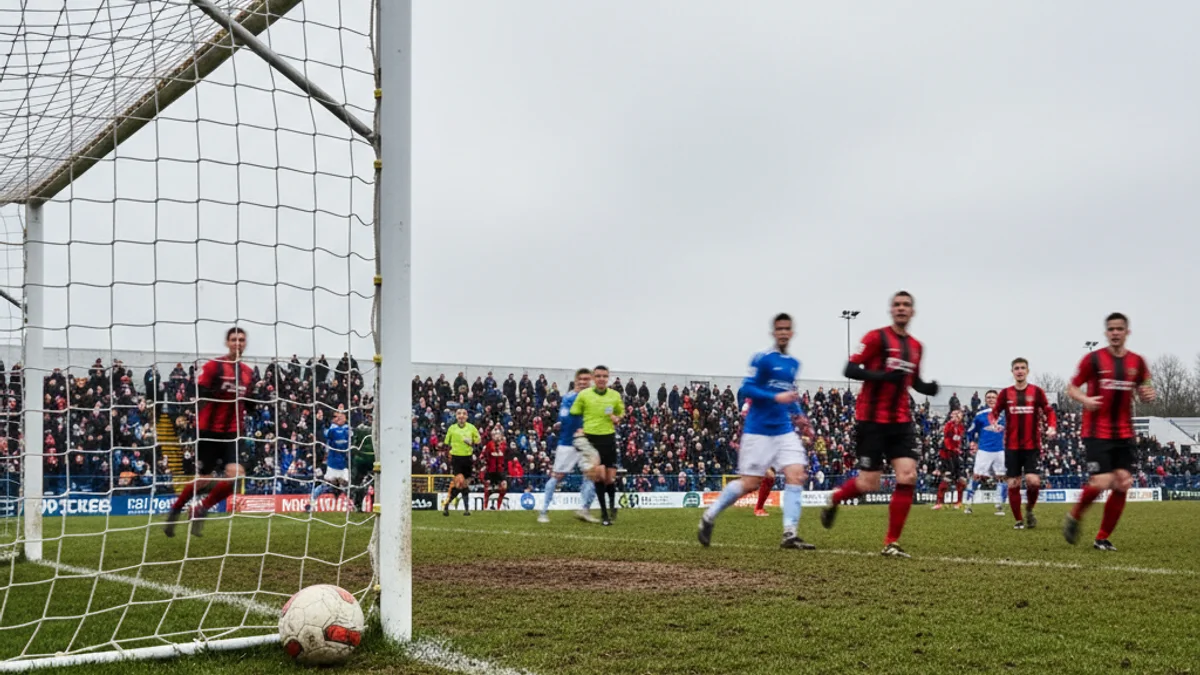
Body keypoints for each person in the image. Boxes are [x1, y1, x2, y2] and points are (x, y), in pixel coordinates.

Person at [821, 292, 939, 558]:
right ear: (891, 310)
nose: (901, 308)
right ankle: (835, 498)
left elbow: (911, 381)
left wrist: (928, 388)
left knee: (908, 476)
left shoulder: (917, 347)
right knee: (868, 484)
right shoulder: (876, 337)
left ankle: (891, 542)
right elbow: (850, 370)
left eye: (906, 305)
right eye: (897, 304)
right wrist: (882, 376)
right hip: (871, 420)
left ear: (912, 312)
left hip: (901, 420)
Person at [698, 313, 816, 551]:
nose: (783, 332)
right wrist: (775, 396)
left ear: (792, 333)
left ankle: (789, 533)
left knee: (797, 474)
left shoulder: (793, 364)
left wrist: (800, 415)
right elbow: (747, 388)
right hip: (758, 431)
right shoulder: (763, 359)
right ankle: (709, 517)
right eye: (779, 329)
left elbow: (789, 393)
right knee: (750, 483)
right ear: (774, 333)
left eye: (787, 329)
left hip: (783, 430)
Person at [1063, 313, 1155, 551]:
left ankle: (1102, 538)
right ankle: (1074, 516)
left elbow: (1146, 387)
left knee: (1123, 482)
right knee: (1102, 481)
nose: (1115, 333)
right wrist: (1085, 399)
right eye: (1111, 329)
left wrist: (1148, 394)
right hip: (1096, 431)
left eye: (1119, 329)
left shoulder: (1137, 362)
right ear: (1106, 333)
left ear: (1127, 332)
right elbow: (1071, 388)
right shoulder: (1093, 360)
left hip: (1124, 433)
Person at [164, 326, 254, 537]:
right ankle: (176, 509)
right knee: (203, 479)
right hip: (208, 431)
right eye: (234, 339)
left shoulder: (248, 373)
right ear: (227, 342)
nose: (238, 343)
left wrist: (253, 403)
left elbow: (248, 402)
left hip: (233, 432)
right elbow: (196, 391)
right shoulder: (214, 366)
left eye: (241, 339)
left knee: (235, 475)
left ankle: (201, 508)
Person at [990, 358, 1057, 529]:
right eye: (1016, 368)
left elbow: (1049, 411)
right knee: (1013, 483)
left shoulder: (1037, 392)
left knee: (1033, 481)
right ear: (1012, 372)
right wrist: (994, 422)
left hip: (1031, 445)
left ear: (1028, 371)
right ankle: (1018, 520)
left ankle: (1029, 510)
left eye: (1022, 368)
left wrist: (1052, 426)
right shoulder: (1005, 393)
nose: (1019, 371)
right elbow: (994, 412)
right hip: (1011, 446)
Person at [538, 369, 603, 524]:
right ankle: (543, 511)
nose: (583, 382)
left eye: (586, 379)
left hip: (585, 443)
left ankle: (584, 509)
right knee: (558, 476)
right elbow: (565, 418)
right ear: (576, 381)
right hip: (568, 442)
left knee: (592, 473)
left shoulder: (593, 398)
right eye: (580, 379)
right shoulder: (569, 398)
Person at [570, 366, 625, 525]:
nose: (601, 379)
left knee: (609, 479)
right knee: (599, 477)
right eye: (598, 376)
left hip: (609, 439)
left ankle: (613, 506)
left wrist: (617, 418)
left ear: (608, 378)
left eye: (604, 376)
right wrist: (578, 428)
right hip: (592, 439)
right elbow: (574, 412)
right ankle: (604, 515)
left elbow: (621, 413)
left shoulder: (614, 395)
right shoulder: (584, 395)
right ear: (594, 378)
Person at [963, 390, 1007, 516]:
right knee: (977, 476)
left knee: (1001, 477)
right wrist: (972, 442)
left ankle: (999, 505)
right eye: (989, 397)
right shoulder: (980, 415)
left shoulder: (1005, 414)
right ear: (985, 399)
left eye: (993, 397)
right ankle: (969, 503)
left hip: (1001, 450)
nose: (991, 399)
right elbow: (970, 431)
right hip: (984, 450)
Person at [443, 408, 481, 516]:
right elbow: (446, 443)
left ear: (467, 417)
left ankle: (449, 506)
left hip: (467, 458)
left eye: (464, 414)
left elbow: (479, 440)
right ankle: (466, 509)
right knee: (460, 481)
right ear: (456, 416)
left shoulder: (471, 428)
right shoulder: (452, 428)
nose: (461, 416)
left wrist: (471, 442)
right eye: (459, 414)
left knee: (462, 485)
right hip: (456, 459)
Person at [312, 409, 352, 510]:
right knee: (326, 484)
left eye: (341, 416)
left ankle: (354, 504)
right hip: (333, 464)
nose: (339, 418)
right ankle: (311, 502)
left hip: (343, 465)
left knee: (347, 485)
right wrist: (320, 422)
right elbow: (324, 434)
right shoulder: (332, 430)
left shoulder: (348, 429)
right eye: (337, 417)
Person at [933, 409, 966, 510]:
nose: (957, 417)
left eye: (959, 416)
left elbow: (959, 440)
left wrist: (957, 449)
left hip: (955, 455)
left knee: (959, 478)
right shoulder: (948, 425)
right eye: (955, 415)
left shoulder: (961, 427)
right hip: (947, 455)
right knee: (948, 476)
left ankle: (959, 502)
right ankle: (939, 502)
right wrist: (953, 448)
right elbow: (947, 440)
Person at [482, 427, 508, 510]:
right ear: (492, 436)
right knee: (488, 488)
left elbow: (502, 454)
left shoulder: (503, 445)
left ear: (501, 436)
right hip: (491, 470)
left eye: (498, 435)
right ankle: (485, 507)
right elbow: (487, 454)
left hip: (500, 470)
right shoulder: (489, 444)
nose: (496, 436)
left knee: (504, 486)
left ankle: (498, 506)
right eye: (495, 435)